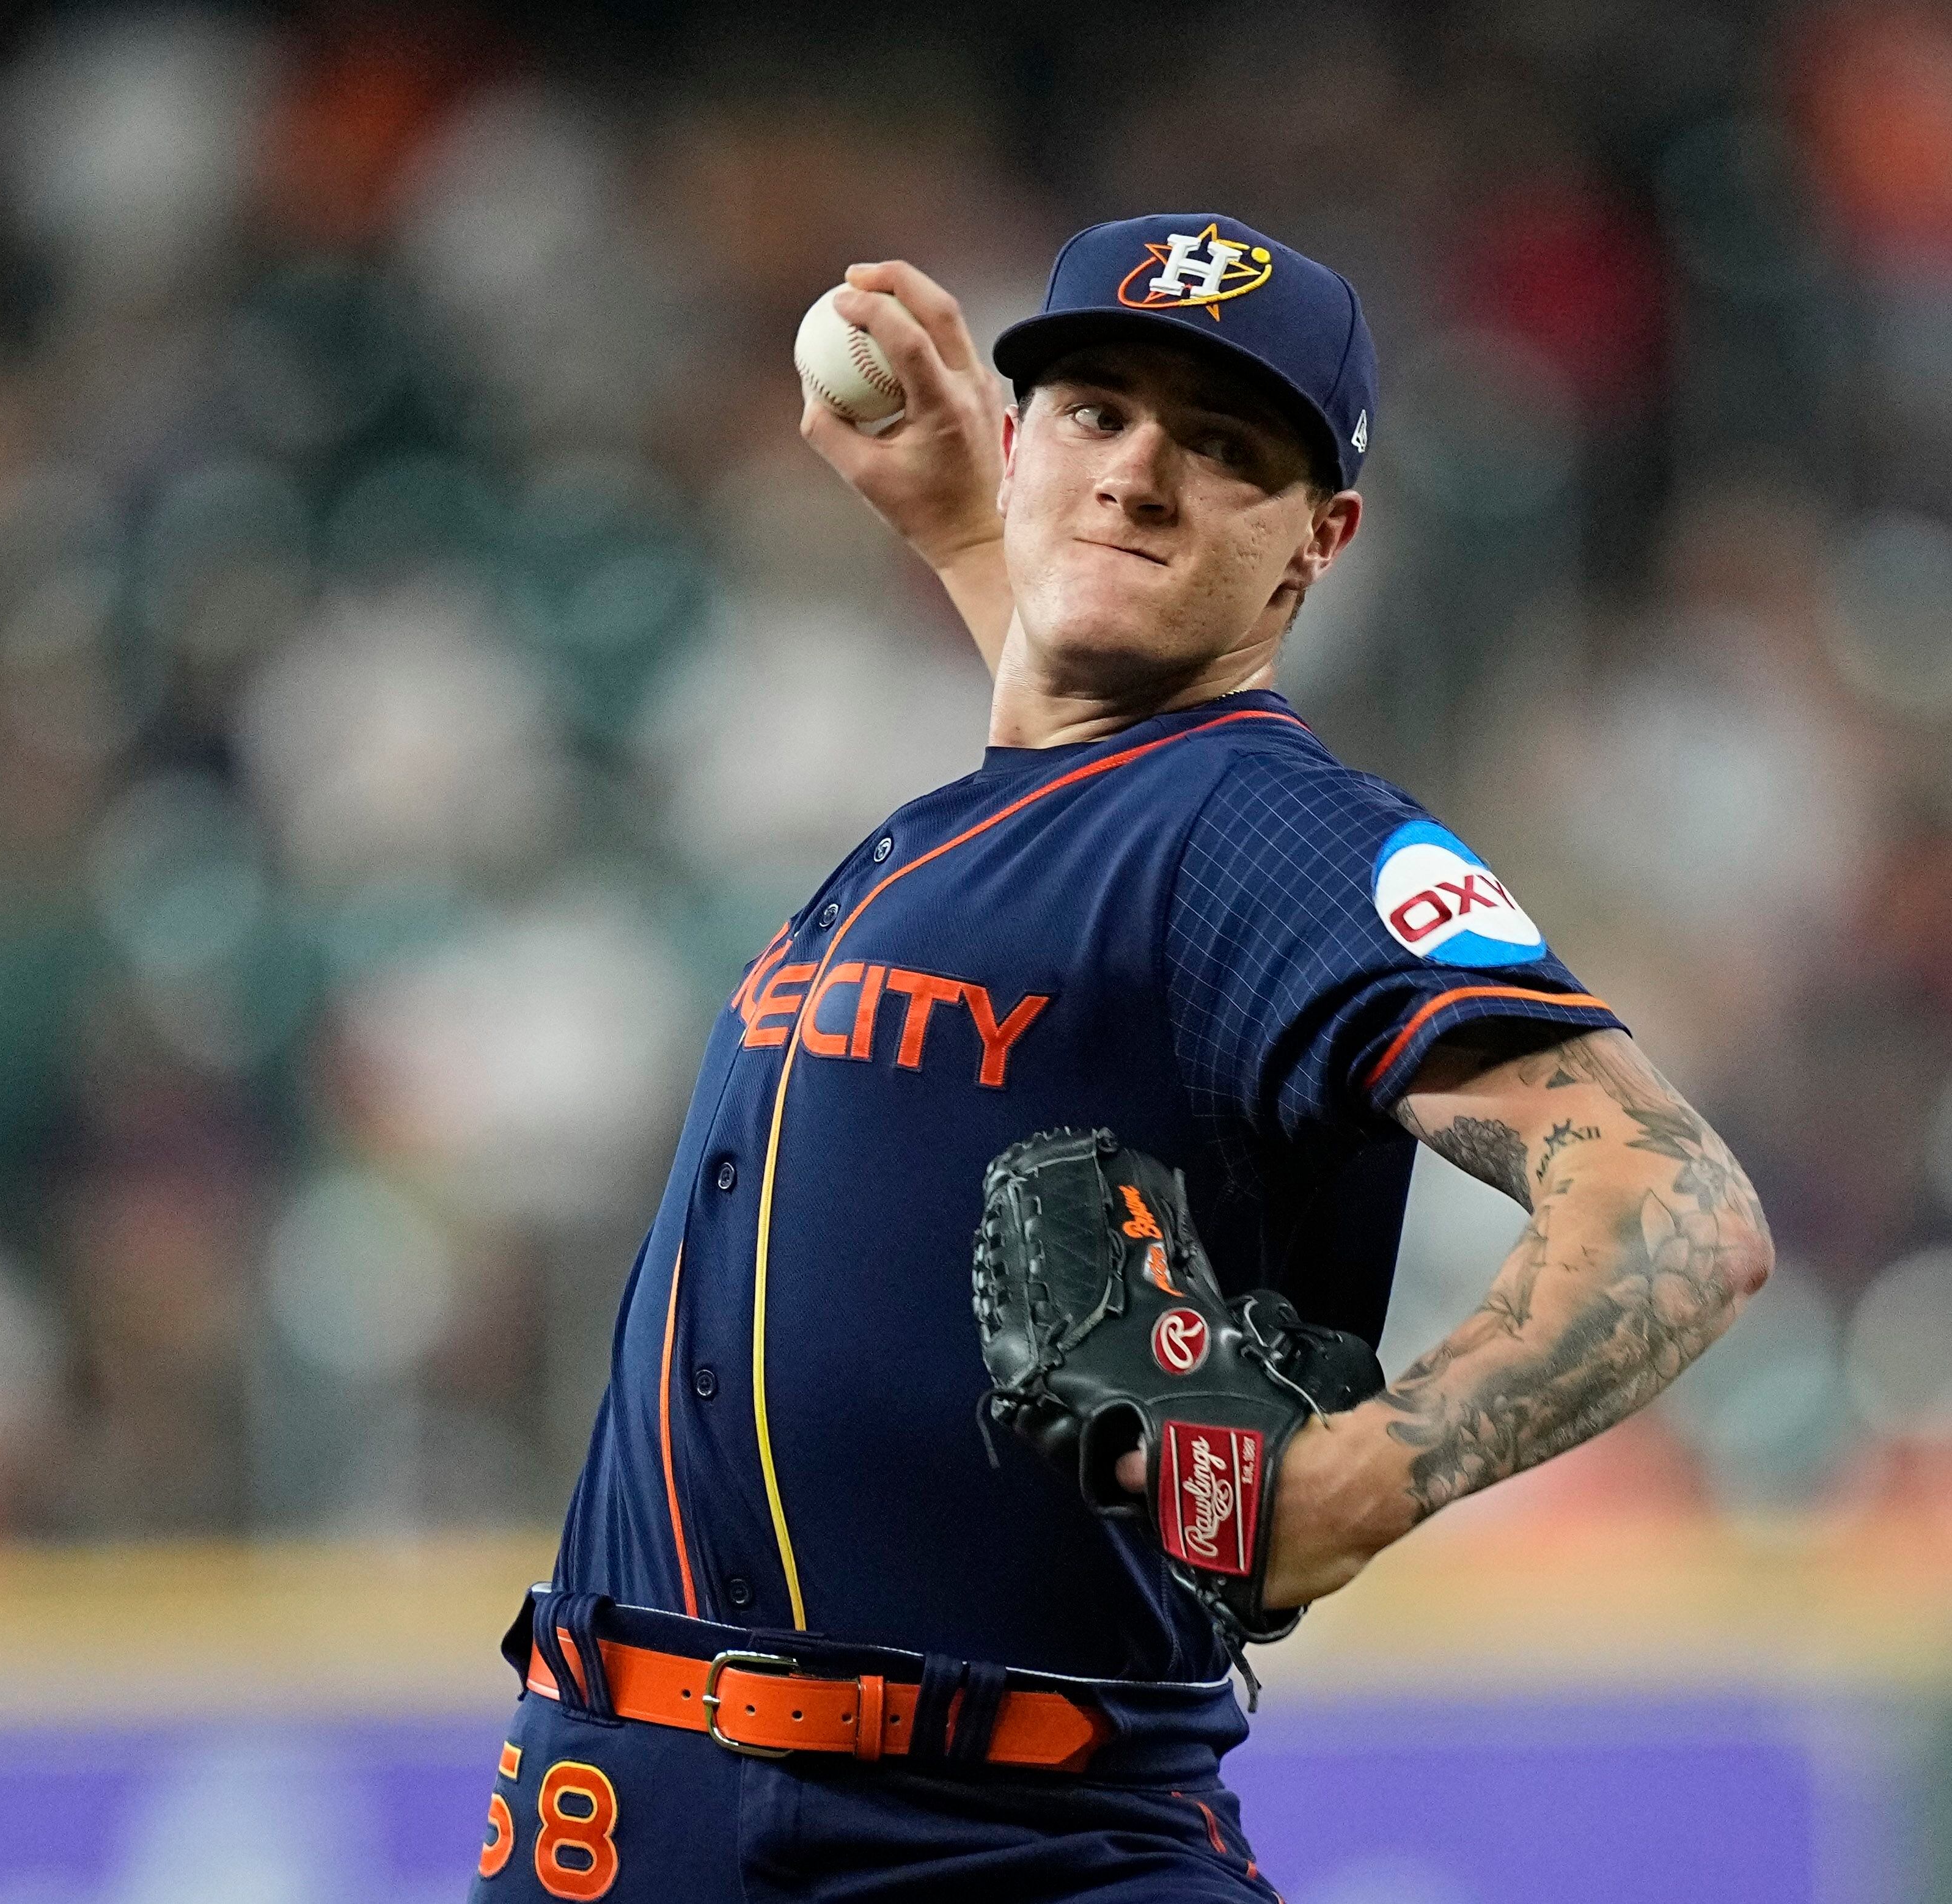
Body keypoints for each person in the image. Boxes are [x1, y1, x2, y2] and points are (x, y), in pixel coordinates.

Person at [467, 213, 1774, 1903]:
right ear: (1020, 445)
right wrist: (958, 526)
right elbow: (1077, 738)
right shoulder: (993, 816)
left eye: (1222, 449)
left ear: (1317, 545)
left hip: (1005, 1835)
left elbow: (1675, 1201)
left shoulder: (1274, 835)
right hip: (620, 1821)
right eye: (1094, 414)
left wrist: (1363, 1475)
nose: (1139, 472)